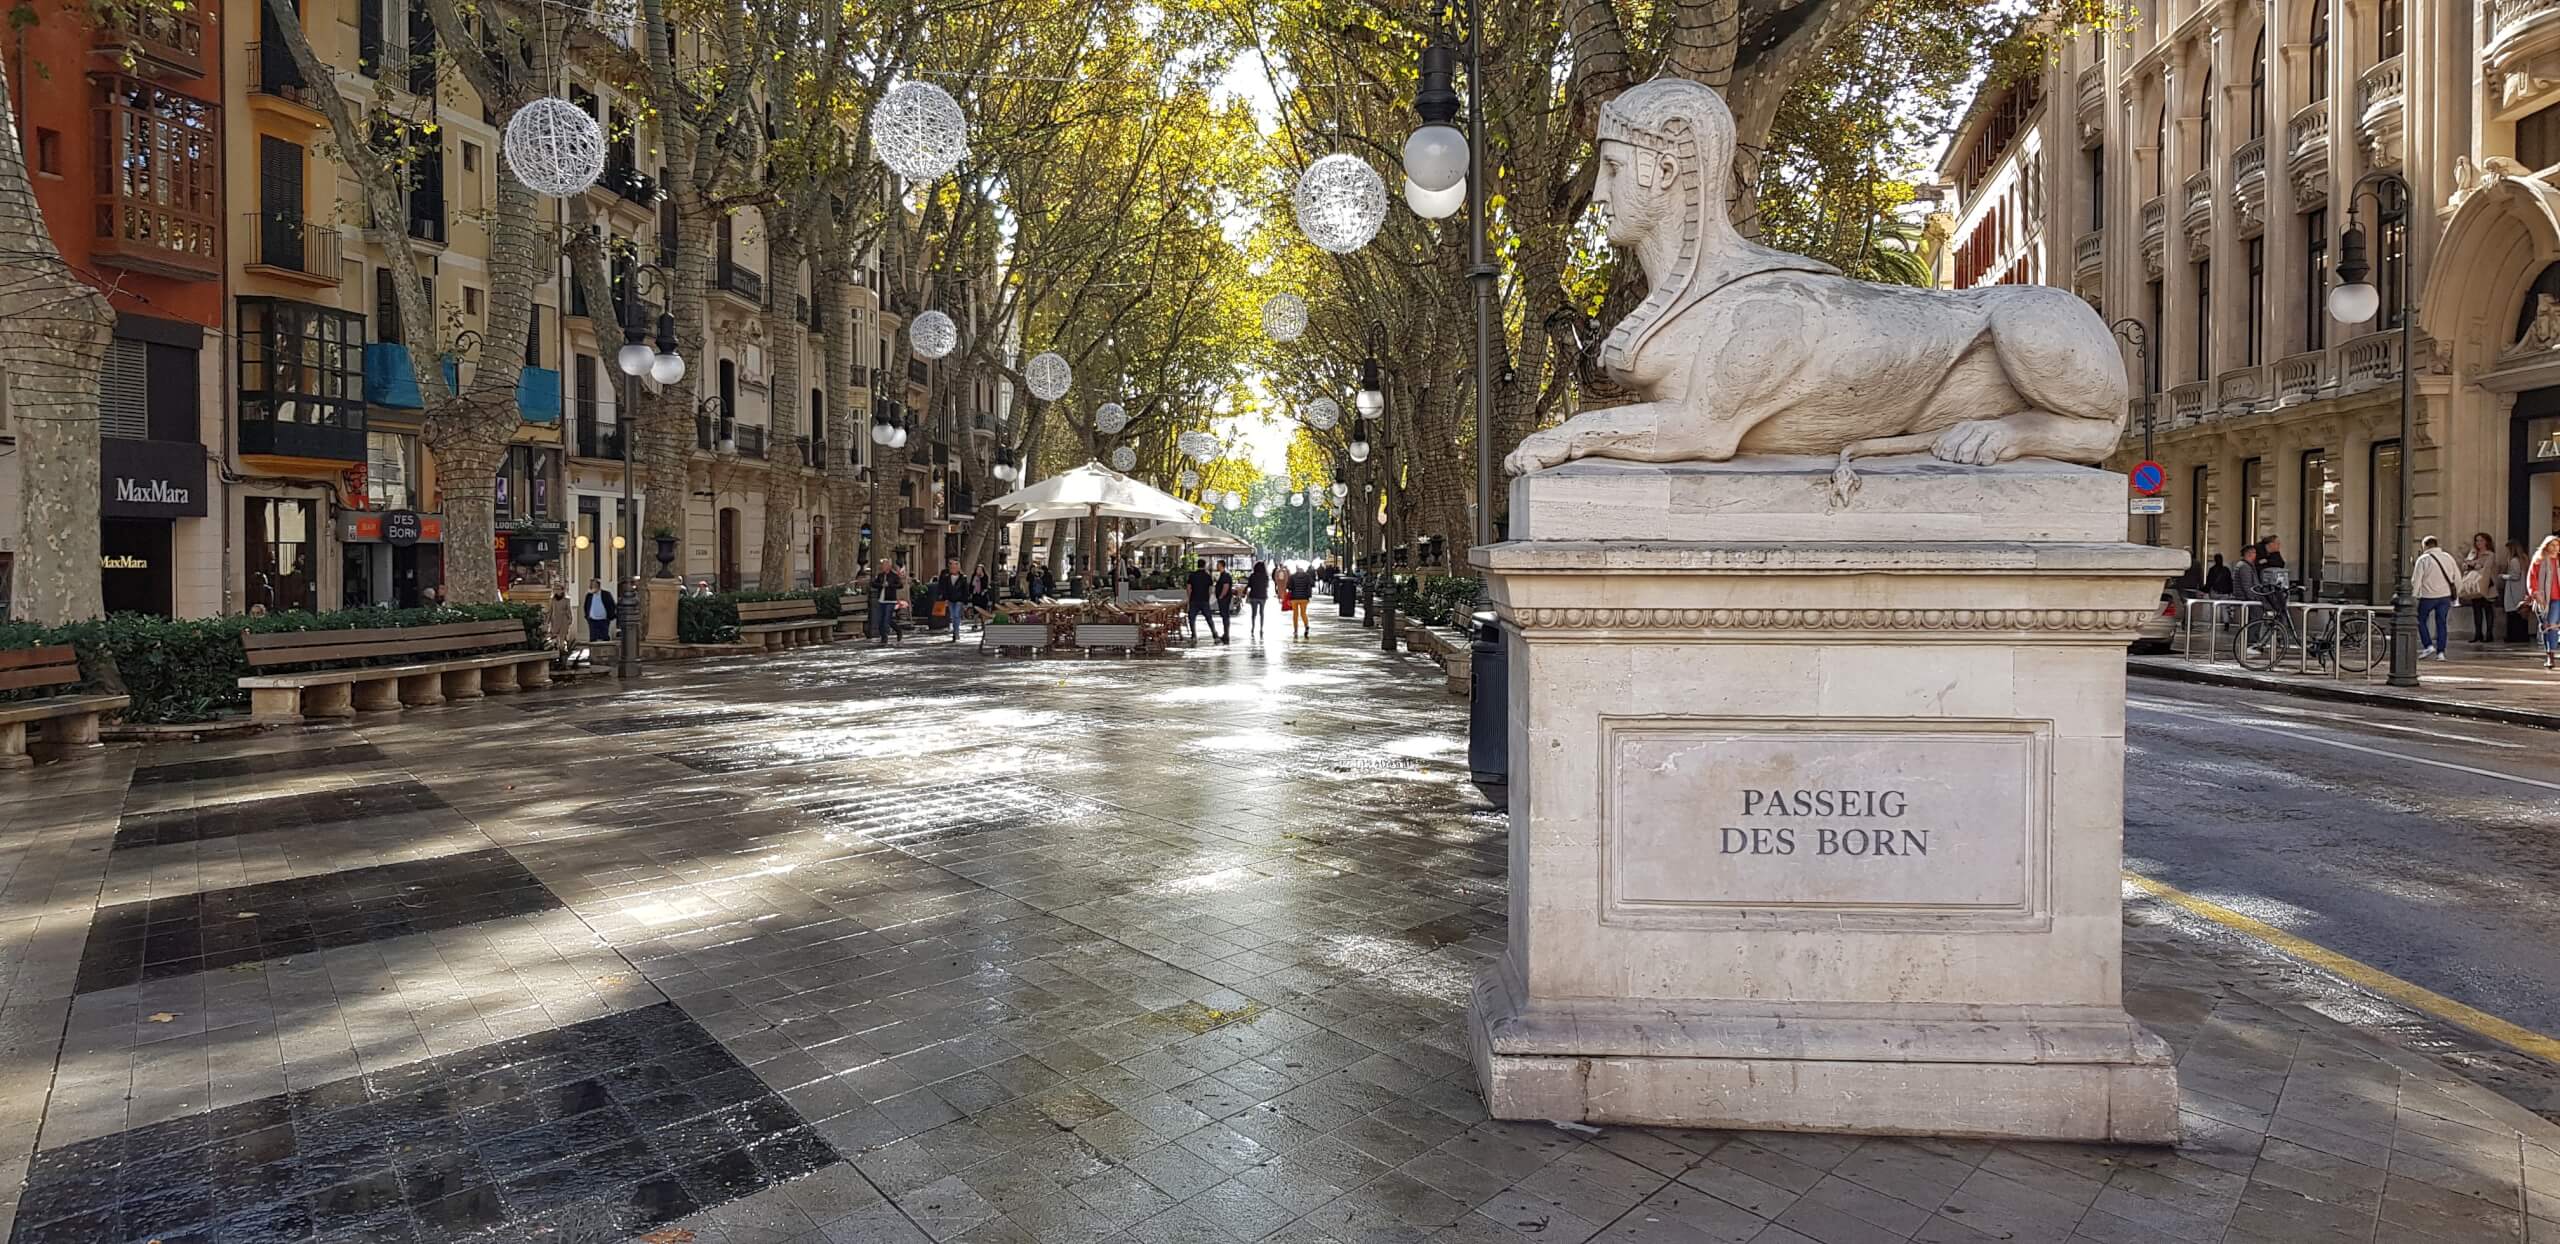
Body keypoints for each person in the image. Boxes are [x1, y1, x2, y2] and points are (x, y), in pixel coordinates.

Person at [2412, 535, 2462, 660]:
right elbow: (2457, 578)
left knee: (2421, 620)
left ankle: (2428, 645)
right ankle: (2441, 653)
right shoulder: (2448, 557)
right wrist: (2456, 595)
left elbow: (2416, 580)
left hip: (2428, 596)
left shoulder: (2423, 559)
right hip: (2445, 596)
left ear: (2425, 546)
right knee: (2442, 623)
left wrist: (2414, 595)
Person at [2464, 532, 2502, 644]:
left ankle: (2489, 634)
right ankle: (2478, 634)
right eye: (2477, 540)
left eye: (2481, 540)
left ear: (2486, 542)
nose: (2478, 543)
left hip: (2486, 584)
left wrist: (2474, 564)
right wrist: (2471, 564)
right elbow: (2466, 565)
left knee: (2488, 609)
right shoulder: (2473, 553)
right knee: (2476, 610)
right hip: (2474, 584)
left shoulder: (2490, 554)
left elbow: (2486, 567)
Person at [2529, 535, 2560, 670]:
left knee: (2552, 625)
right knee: (2546, 625)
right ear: (2546, 546)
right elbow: (2532, 578)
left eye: (2557, 545)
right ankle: (2549, 655)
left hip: (2557, 599)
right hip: (2544, 598)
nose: (2555, 548)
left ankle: (2551, 656)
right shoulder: (2538, 561)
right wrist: (2535, 593)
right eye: (2552, 545)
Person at [1184, 558, 1222, 643]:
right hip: (1204, 600)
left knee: (1192, 618)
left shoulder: (1192, 575)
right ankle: (1215, 635)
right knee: (1209, 618)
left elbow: (1188, 588)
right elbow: (1210, 589)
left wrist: (1189, 598)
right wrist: (1207, 598)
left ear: (1197, 565)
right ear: (1204, 566)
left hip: (1194, 599)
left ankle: (1194, 636)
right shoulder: (1207, 576)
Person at [868, 559, 905, 645]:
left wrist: (890, 585)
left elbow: (900, 585)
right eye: (882, 565)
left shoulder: (894, 576)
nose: (882, 567)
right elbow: (873, 584)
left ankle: (896, 631)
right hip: (881, 600)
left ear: (888, 566)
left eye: (884, 565)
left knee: (886, 619)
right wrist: (881, 585)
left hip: (890, 600)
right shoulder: (880, 575)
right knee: (881, 620)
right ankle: (884, 637)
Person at [933, 559, 970, 642]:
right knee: (953, 616)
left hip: (959, 600)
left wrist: (965, 602)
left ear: (958, 567)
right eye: (951, 566)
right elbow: (943, 589)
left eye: (955, 565)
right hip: (950, 599)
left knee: (956, 614)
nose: (953, 567)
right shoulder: (946, 577)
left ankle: (956, 632)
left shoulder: (963, 578)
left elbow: (965, 591)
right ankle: (955, 630)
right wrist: (944, 599)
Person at [2505, 539, 2533, 643]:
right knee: (2522, 613)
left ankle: (2514, 636)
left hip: (2514, 588)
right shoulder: (2524, 559)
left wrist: (2503, 576)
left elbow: (2515, 576)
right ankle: (2522, 636)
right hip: (2522, 588)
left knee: (2514, 613)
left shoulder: (2514, 561)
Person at [1286, 562, 1315, 637]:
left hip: (1294, 598)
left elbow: (1289, 587)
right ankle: (1306, 626)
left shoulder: (1292, 577)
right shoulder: (1307, 576)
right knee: (1303, 613)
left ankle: (1295, 630)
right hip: (1304, 598)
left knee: (1295, 614)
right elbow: (1312, 584)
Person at [582, 578, 616, 642]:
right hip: (592, 620)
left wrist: (610, 616)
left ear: (598, 586)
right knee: (593, 638)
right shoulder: (589, 595)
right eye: (591, 585)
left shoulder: (606, 594)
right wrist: (587, 616)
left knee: (604, 637)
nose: (591, 587)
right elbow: (586, 606)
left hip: (604, 620)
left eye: (593, 585)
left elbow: (612, 605)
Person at [1213, 560, 1236, 645]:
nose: (1217, 566)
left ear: (1222, 565)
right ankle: (1225, 634)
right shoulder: (1223, 575)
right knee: (1224, 615)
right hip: (1224, 598)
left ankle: (1226, 634)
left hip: (1224, 599)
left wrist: (1221, 596)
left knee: (1225, 615)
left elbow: (1226, 587)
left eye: (1218, 565)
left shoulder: (1225, 575)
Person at [1246, 560, 1270, 636]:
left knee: (1254, 613)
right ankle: (1261, 628)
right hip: (1263, 596)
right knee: (1261, 613)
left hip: (1254, 596)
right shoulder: (1265, 576)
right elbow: (1267, 586)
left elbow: (1249, 585)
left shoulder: (1252, 575)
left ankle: (1253, 627)